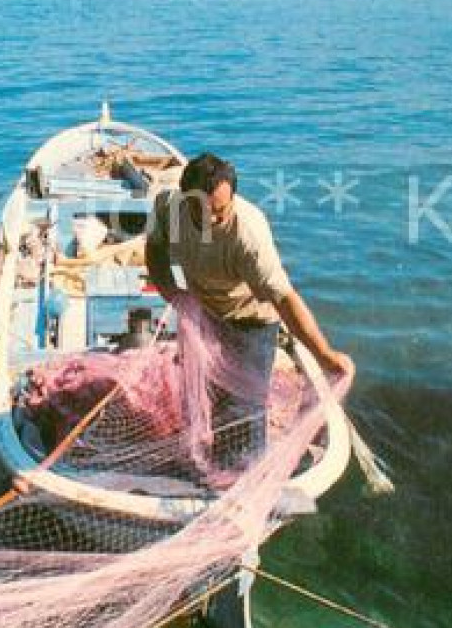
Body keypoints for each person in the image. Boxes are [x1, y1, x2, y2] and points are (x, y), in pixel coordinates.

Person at [144, 152, 354, 469]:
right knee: (210, 392)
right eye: (204, 212)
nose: (214, 220)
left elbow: (285, 299)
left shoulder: (248, 235)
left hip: (251, 320)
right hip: (205, 311)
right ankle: (213, 461)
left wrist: (326, 356)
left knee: (244, 406)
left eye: (221, 211)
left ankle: (244, 477)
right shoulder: (168, 207)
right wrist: (174, 293)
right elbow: (155, 249)